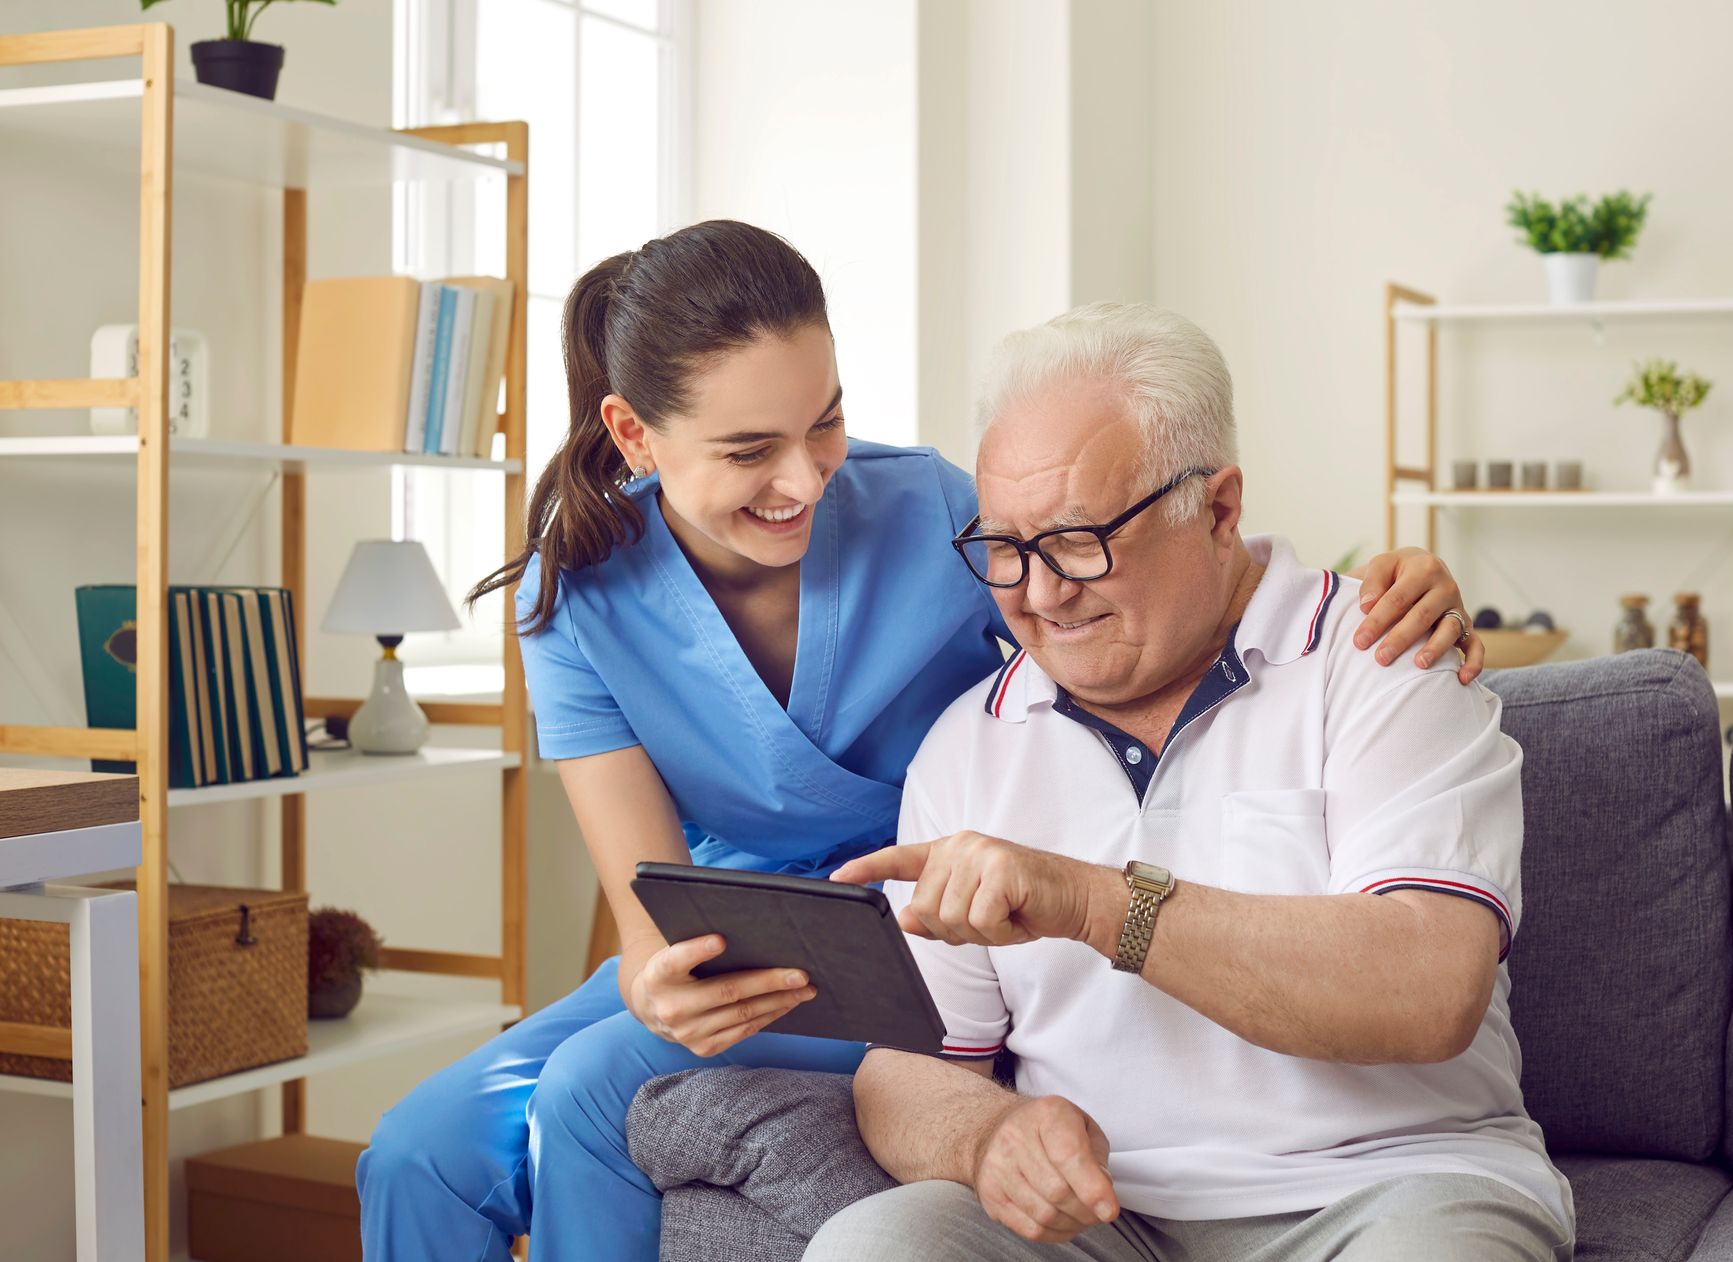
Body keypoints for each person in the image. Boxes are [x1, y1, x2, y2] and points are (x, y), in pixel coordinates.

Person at [354, 221, 1490, 1262]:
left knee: (596, 1085)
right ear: (633, 432)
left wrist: (1378, 585)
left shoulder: (931, 514)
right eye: (751, 448)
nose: (804, 478)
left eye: (827, 420)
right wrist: (659, 987)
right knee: (415, 1152)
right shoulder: (574, 594)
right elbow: (654, 896)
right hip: (736, 933)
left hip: (921, 927)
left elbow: (1139, 599)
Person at [813, 303, 1573, 1261]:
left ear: (1217, 508)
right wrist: (986, 1136)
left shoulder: (1385, 657)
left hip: (1395, 1187)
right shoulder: (968, 744)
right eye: (1007, 548)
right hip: (1104, 1218)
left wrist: (1093, 904)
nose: (1041, 595)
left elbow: (1429, 990)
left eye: (1084, 539)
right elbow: (908, 1064)